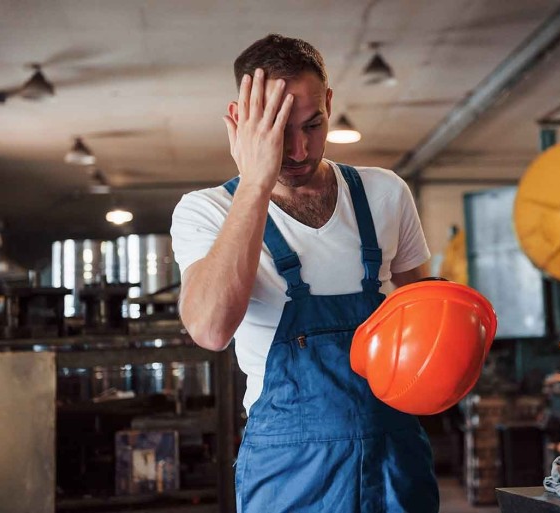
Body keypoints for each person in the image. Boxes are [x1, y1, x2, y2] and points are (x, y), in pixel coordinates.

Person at [170, 34, 439, 512]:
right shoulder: (206, 211)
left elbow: (424, 322)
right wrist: (254, 181)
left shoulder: (386, 193)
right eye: (277, 132)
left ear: (329, 104)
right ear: (240, 122)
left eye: (312, 125)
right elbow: (210, 329)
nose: (297, 150)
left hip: (395, 461)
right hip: (289, 472)